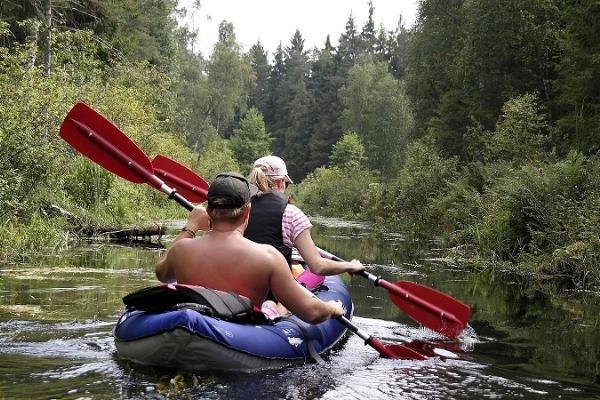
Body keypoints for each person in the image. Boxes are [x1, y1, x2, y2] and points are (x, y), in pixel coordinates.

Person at [154, 172, 345, 324]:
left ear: (209, 211)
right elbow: (311, 313)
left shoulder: (182, 250)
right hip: (237, 337)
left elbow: (163, 274)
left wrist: (191, 226)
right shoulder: (268, 257)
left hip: (190, 329)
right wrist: (333, 308)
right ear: (248, 211)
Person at [245, 155, 363, 275]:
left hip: (239, 285)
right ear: (281, 182)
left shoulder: (238, 209)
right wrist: (349, 265)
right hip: (274, 291)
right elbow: (318, 266)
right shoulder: (291, 214)